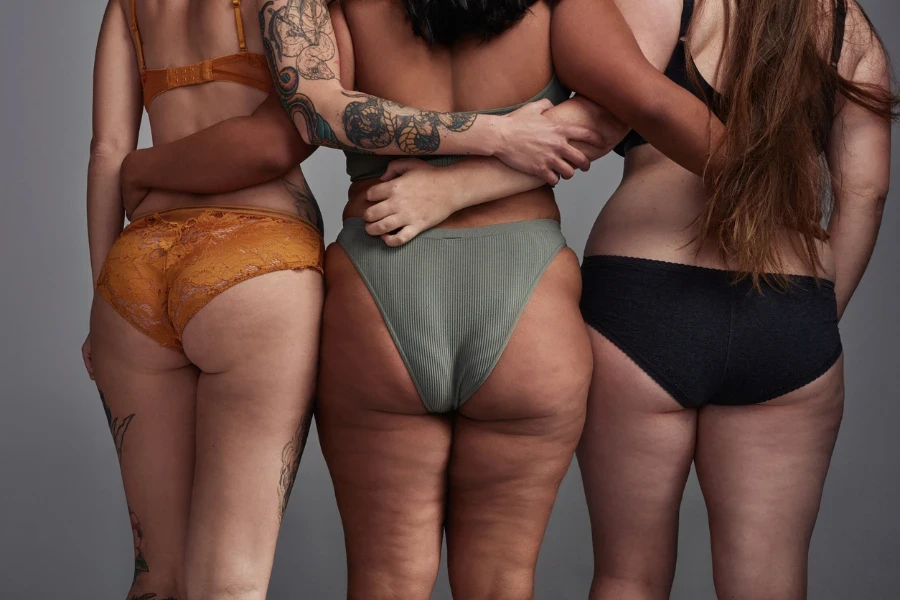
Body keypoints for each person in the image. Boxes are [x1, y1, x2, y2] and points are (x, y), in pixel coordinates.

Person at [366, 0, 897, 598]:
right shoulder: (850, 29)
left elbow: (604, 116)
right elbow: (866, 191)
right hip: (787, 302)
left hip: (645, 298)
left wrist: (455, 187)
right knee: (769, 581)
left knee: (628, 576)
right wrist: (815, 317)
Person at [84, 1, 584, 599]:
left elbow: (107, 152)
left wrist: (115, 253)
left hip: (152, 267)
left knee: (160, 575)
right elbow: (287, 133)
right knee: (232, 582)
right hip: (264, 259)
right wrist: (497, 135)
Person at [256, 0, 731, 598]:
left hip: (378, 287)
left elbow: (319, 113)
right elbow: (638, 101)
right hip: (528, 303)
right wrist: (764, 179)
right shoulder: (564, 7)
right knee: (502, 582)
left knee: (384, 580)